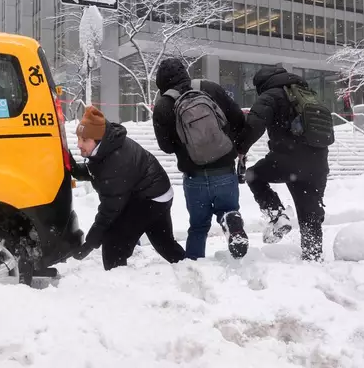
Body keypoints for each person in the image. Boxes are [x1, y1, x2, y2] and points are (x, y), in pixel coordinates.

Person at [153, 58, 249, 260]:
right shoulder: (210, 88)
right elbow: (239, 120)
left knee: (198, 227)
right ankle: (231, 221)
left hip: (194, 176)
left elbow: (166, 147)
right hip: (224, 170)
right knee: (228, 210)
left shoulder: (163, 105)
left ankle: (195, 267)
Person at [70, 106, 186, 270]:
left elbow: (109, 211)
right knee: (164, 244)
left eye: (84, 140)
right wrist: (71, 166)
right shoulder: (106, 147)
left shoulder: (115, 162)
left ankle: (119, 285)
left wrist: (89, 244)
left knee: (113, 243)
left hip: (149, 197)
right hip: (157, 192)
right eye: (78, 138)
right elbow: (93, 171)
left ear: (97, 140)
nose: (79, 144)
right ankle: (187, 267)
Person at [237, 67, 331, 262]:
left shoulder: (271, 95)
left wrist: (241, 147)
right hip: (318, 163)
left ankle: (276, 214)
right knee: (309, 211)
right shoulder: (308, 94)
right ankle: (313, 256)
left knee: (253, 175)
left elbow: (255, 123)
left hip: (289, 159)